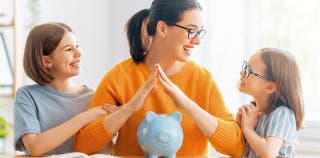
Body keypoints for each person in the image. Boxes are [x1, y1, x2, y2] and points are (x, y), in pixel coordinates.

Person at [75, 0, 244, 156]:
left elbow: (236, 146)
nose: (197, 41)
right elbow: (83, 145)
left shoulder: (203, 79)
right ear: (162, 29)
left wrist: (188, 105)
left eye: (200, 32)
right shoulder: (120, 77)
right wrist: (128, 110)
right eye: (191, 31)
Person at [14, 22, 118, 156]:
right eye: (69, 49)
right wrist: (84, 118)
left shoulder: (94, 97)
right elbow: (34, 147)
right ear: (46, 61)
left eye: (78, 46)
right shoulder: (27, 96)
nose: (79, 53)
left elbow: (104, 151)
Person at [236, 48, 305, 157]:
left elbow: (269, 152)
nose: (242, 72)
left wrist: (248, 129)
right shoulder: (255, 114)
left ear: (270, 87)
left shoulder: (282, 114)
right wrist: (241, 127)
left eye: (249, 70)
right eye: (245, 67)